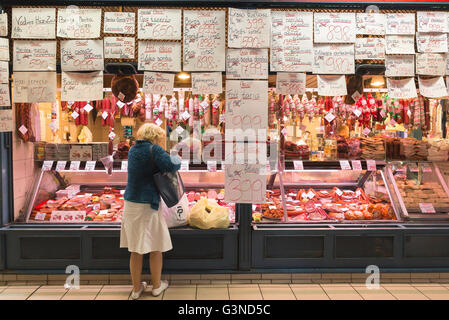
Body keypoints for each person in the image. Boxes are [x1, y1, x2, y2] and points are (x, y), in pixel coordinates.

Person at [120, 123, 181, 299]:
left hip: (131, 204)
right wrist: (175, 152)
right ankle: (156, 286)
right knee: (155, 246)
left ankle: (136, 289)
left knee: (135, 249)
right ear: (155, 137)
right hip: (148, 204)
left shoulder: (132, 150)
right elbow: (172, 166)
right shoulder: (154, 150)